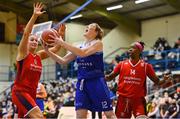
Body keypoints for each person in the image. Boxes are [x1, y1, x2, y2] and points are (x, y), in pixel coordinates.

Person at [42, 23, 116, 118]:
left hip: (96, 82)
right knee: (80, 115)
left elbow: (83, 53)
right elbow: (63, 61)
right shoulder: (79, 46)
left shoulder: (98, 43)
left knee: (109, 114)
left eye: (90, 27)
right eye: (87, 26)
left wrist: (62, 43)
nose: (87, 27)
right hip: (82, 84)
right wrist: (48, 51)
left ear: (96, 32)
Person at [11, 2, 65, 118]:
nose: (35, 42)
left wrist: (60, 37)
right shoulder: (22, 53)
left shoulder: (39, 55)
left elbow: (55, 49)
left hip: (31, 94)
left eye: (36, 40)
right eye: (32, 40)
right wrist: (35, 16)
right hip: (20, 92)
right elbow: (26, 34)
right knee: (39, 116)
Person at [105, 41, 169, 118]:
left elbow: (157, 81)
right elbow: (109, 77)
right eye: (129, 48)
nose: (130, 50)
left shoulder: (146, 66)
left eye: (133, 48)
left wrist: (165, 80)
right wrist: (101, 76)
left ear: (139, 51)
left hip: (138, 100)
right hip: (123, 99)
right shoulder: (121, 64)